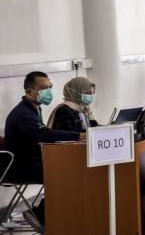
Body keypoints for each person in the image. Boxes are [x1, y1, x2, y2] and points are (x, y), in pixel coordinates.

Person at [3, 72, 86, 232]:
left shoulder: (32, 109)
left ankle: (52, 215)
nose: (49, 91)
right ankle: (40, 214)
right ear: (29, 92)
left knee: (67, 169)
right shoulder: (23, 115)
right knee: (64, 172)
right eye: (44, 88)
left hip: (29, 162)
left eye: (50, 87)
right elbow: (45, 135)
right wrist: (80, 135)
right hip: (17, 168)